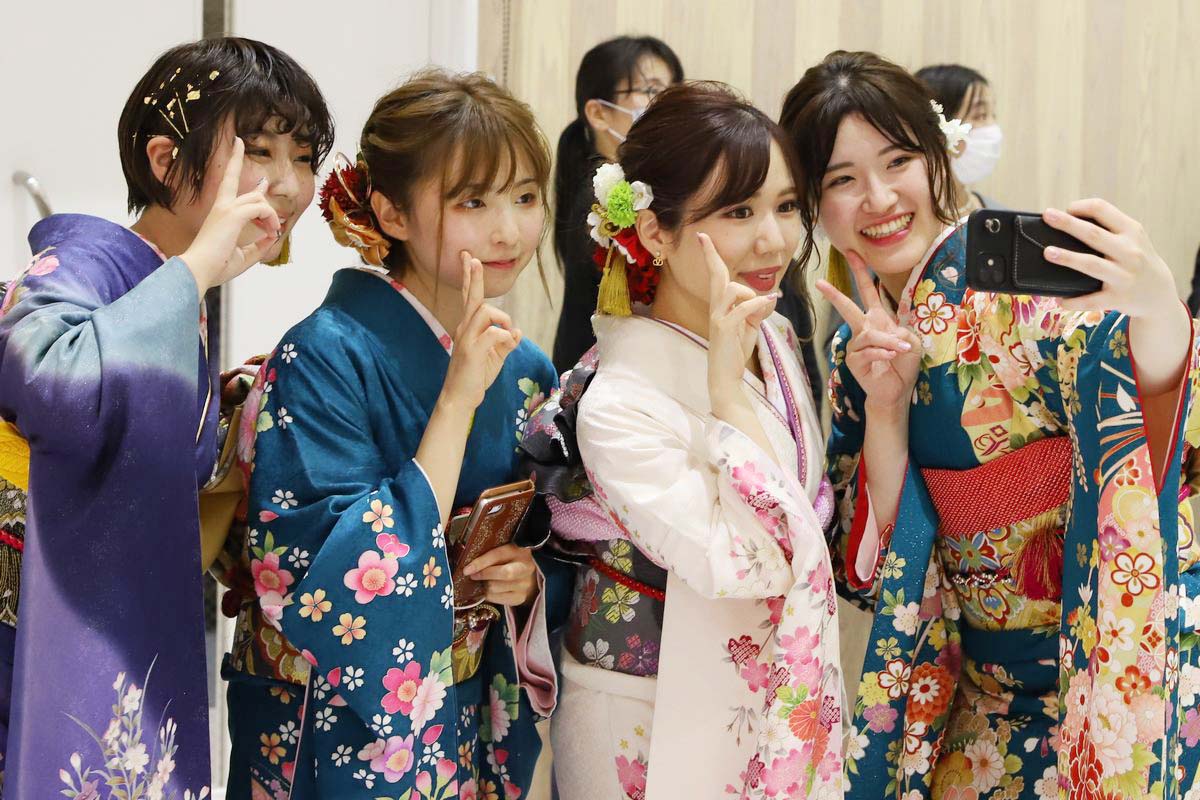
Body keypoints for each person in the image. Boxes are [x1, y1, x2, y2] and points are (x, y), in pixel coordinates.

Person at [782, 50, 1199, 799]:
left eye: (898, 161)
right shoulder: (855, 347)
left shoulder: (1024, 300)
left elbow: (1140, 402)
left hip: (1093, 681)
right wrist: (885, 411)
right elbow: (874, 567)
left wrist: (1160, 309)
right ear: (814, 202)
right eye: (842, 180)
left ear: (939, 155)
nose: (879, 198)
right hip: (973, 699)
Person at [0, 37, 331, 797]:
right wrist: (198, 267)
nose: (288, 184)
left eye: (304, 157)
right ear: (164, 159)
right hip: (26, 628)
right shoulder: (82, 268)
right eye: (259, 150)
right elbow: (50, 382)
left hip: (105, 619)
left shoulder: (173, 290)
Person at [221, 69, 565, 798]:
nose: (509, 230)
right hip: (328, 715)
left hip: (462, 708)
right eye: (473, 201)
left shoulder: (526, 367)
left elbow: (559, 538)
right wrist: (457, 399)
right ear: (392, 211)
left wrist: (526, 581)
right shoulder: (324, 354)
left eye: (526, 197)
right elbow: (322, 571)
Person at [521, 81, 843, 799]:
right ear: (655, 232)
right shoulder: (619, 401)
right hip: (645, 705)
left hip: (765, 689)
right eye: (738, 211)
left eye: (787, 206)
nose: (774, 239)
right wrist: (726, 397)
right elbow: (755, 560)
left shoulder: (773, 334)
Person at [550, 35, 683, 374]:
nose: (666, 103)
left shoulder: (637, 185)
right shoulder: (598, 198)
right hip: (600, 378)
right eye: (651, 90)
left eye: (673, 90)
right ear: (598, 113)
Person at [915, 63, 1005, 213]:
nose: (992, 126)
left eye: (992, 115)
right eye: (981, 115)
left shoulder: (996, 214)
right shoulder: (909, 219)